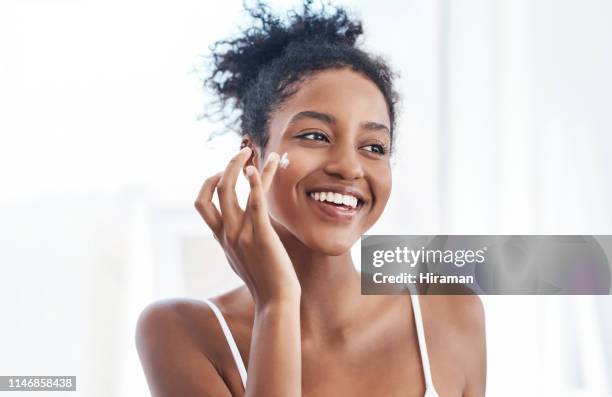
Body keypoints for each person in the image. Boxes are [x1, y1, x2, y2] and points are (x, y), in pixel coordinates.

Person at [135, 1, 486, 396]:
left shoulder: (450, 311)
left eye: (373, 146)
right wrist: (277, 303)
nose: (349, 167)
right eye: (316, 136)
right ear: (252, 155)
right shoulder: (182, 331)